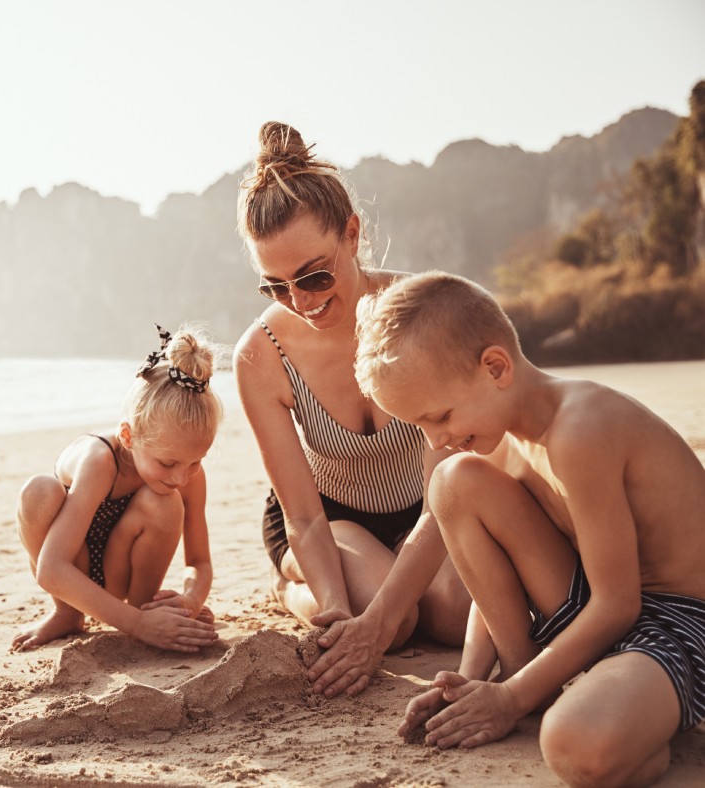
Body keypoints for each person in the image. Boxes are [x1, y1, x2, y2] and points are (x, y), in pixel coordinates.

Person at [354, 270, 705, 787]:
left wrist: (511, 695)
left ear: (495, 367)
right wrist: (472, 681)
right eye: (422, 428)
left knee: (574, 745)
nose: (437, 439)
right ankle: (543, 687)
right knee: (453, 482)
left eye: (441, 416)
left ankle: (590, 713)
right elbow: (488, 584)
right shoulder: (504, 443)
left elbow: (619, 603)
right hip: (600, 614)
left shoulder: (581, 429)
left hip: (678, 625)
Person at [233, 121, 471, 700]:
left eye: (314, 275)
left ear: (352, 234)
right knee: (394, 622)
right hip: (326, 517)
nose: (303, 301)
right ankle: (289, 582)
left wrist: (380, 619)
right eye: (278, 287)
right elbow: (305, 517)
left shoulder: (423, 312)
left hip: (425, 505)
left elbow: (446, 499)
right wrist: (338, 612)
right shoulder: (261, 357)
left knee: (452, 616)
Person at [12, 324, 222, 654]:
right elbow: (52, 569)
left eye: (195, 461)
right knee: (39, 490)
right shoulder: (99, 460)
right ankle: (68, 614)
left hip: (125, 572)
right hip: (72, 569)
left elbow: (199, 561)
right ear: (128, 436)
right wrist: (138, 627)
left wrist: (190, 601)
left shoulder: (187, 473)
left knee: (166, 502)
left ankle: (146, 609)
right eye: (167, 464)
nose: (183, 477)